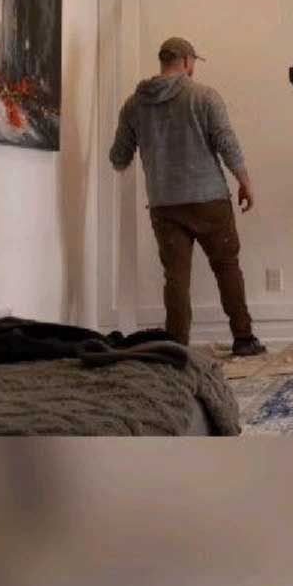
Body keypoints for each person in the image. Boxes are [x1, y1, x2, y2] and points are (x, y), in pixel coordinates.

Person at [108, 37, 266, 356]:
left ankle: (177, 346)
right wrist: (245, 182)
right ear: (187, 61)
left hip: (165, 204)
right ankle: (244, 339)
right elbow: (227, 143)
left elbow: (118, 157)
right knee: (227, 267)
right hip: (210, 201)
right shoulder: (204, 96)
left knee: (175, 278)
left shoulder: (133, 104)